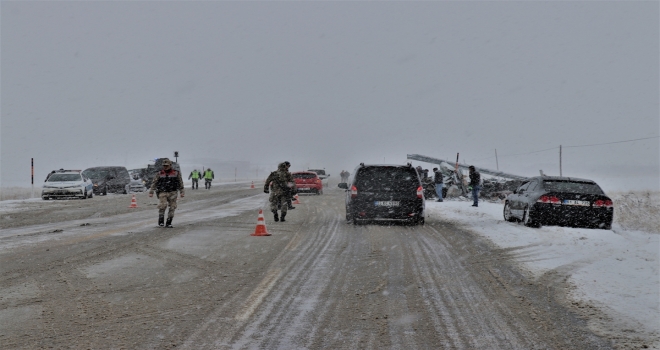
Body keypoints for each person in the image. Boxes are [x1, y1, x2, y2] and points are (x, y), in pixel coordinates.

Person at [148, 158, 184, 228]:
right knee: (162, 206)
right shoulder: (159, 173)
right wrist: (151, 191)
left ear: (170, 165)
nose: (165, 167)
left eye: (167, 165)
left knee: (172, 207)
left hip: (173, 192)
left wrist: (182, 192)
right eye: (164, 166)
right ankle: (161, 221)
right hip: (162, 192)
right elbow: (154, 182)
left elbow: (180, 183)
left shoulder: (176, 173)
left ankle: (169, 222)